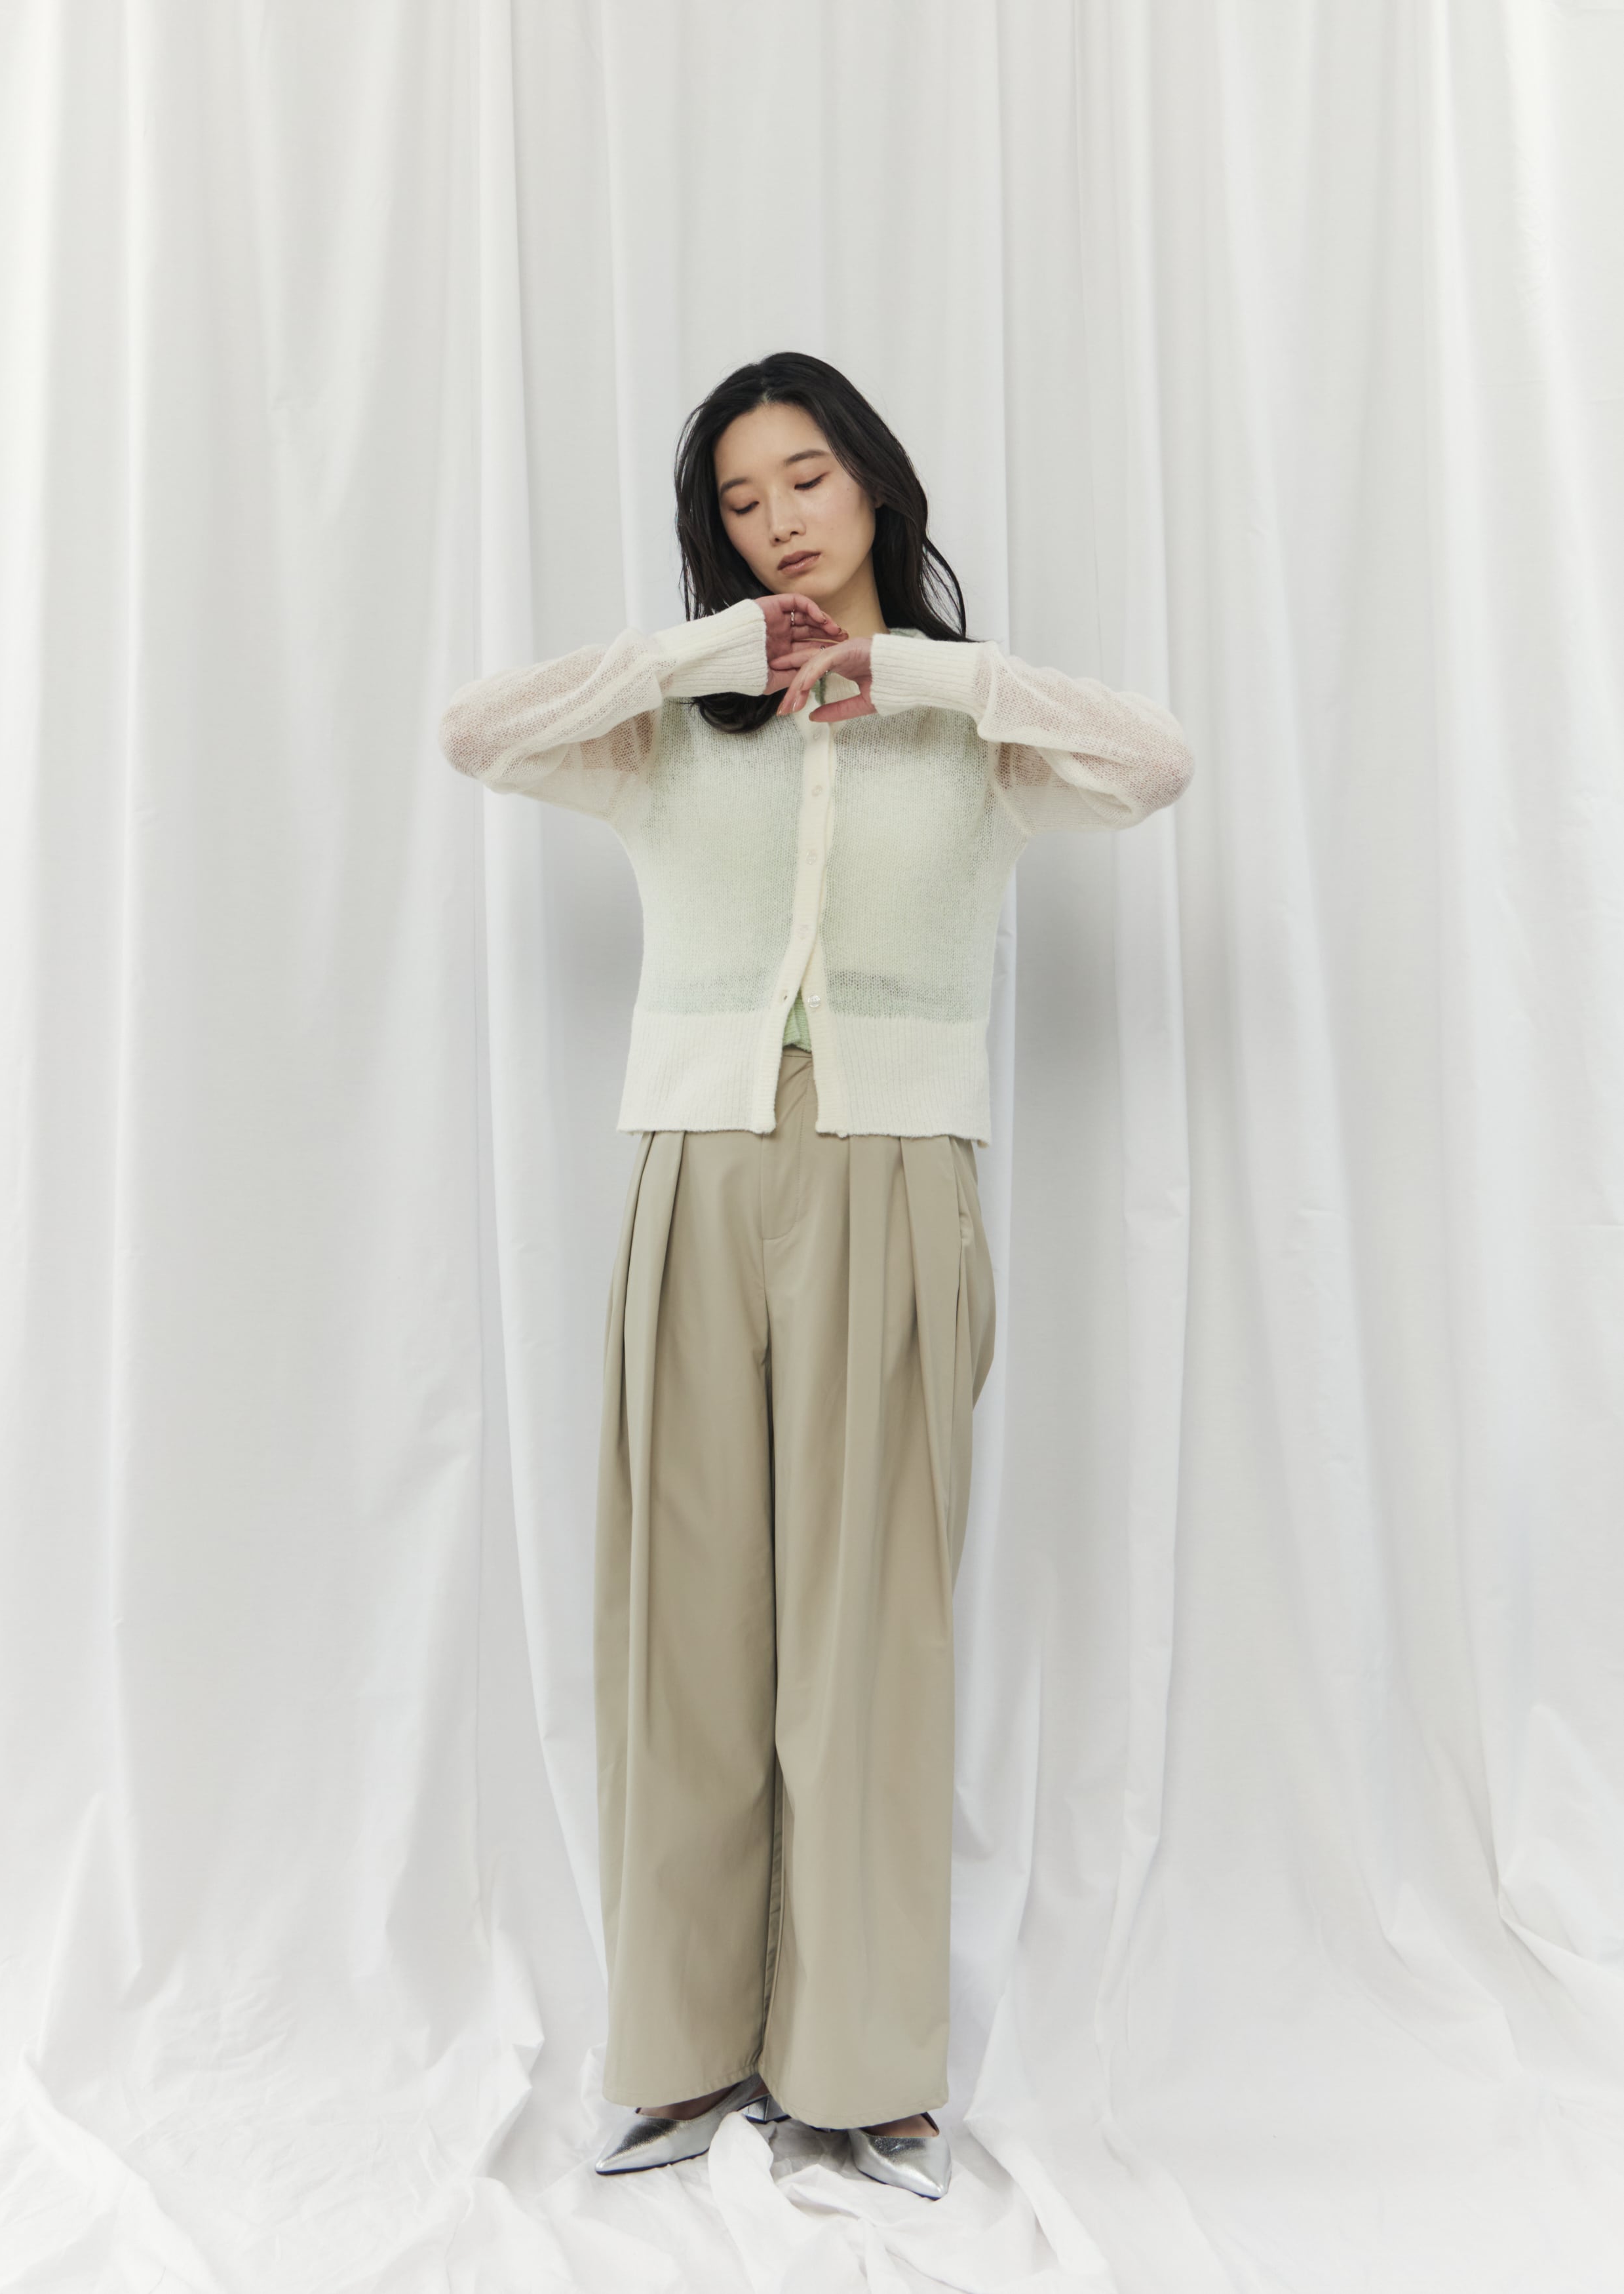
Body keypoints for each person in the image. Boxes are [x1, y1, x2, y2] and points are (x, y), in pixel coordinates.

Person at [437, 351, 1194, 2200]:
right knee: (682, 1626)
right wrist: (709, 656)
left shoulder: (972, 732)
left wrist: (918, 674)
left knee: (870, 1631)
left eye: (805, 477)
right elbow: (479, 731)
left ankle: (864, 2076)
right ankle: (682, 2055)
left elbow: (1154, 762)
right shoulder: (671, 732)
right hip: (694, 1177)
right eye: (739, 497)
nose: (776, 518)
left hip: (893, 1175)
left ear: (872, 484)